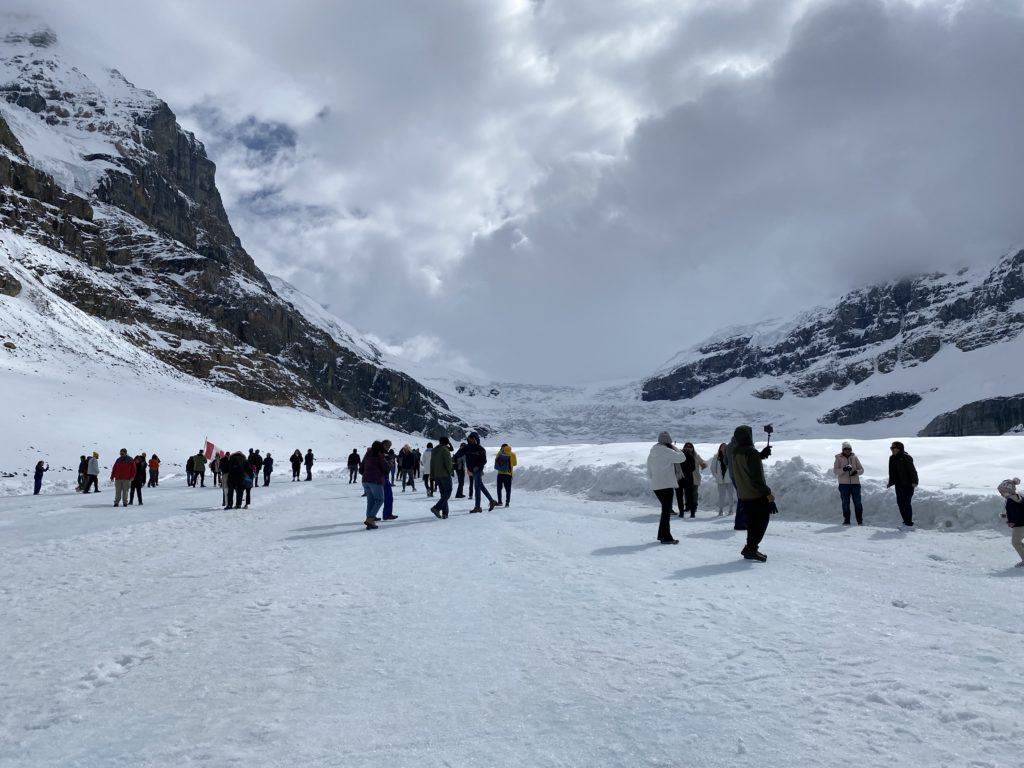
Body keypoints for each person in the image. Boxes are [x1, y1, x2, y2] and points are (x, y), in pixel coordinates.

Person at [729, 425, 774, 562]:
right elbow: (756, 478)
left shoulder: (735, 451)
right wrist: (768, 495)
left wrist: (759, 455)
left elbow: (746, 465)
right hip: (755, 494)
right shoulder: (751, 452)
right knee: (761, 522)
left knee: (752, 522)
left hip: (743, 493)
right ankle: (751, 548)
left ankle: (750, 548)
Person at [646, 431, 686, 544]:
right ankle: (665, 537)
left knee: (665, 511)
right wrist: (675, 448)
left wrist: (655, 480)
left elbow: (649, 471)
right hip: (667, 485)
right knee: (666, 512)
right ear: (669, 441)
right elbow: (682, 458)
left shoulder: (652, 452)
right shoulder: (667, 451)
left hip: (656, 486)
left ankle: (662, 535)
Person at [454, 433, 498, 512]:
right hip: (471, 470)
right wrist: (455, 456)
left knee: (477, 487)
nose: (471, 440)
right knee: (480, 486)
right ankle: (492, 501)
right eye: (469, 439)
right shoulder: (466, 448)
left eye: (472, 439)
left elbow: (484, 460)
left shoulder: (480, 449)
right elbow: (458, 455)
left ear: (476, 439)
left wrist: (477, 466)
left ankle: (477, 507)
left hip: (478, 470)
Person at [887, 441, 919, 527]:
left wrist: (915, 482)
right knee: (900, 503)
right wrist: (891, 482)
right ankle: (905, 522)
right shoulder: (892, 458)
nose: (891, 449)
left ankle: (909, 523)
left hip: (908, 484)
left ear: (899, 448)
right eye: (891, 448)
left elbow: (912, 470)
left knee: (906, 503)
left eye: (893, 448)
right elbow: (892, 472)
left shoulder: (906, 457)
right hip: (899, 484)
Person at [834, 441, 865, 525]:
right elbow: (835, 471)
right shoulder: (838, 458)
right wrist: (844, 469)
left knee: (858, 503)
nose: (848, 450)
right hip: (844, 485)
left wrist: (856, 472)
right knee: (845, 503)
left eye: (849, 449)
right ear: (843, 450)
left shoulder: (854, 457)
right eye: (846, 449)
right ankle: (847, 520)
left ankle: (860, 521)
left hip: (855, 484)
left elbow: (862, 469)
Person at [360, 441, 389, 529]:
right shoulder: (380, 456)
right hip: (375, 481)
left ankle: (369, 520)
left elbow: (361, 468)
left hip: (365, 480)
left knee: (371, 501)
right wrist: (389, 463)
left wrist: (366, 474)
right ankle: (370, 518)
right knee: (380, 499)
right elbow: (386, 469)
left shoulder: (367, 454)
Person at [998, 478, 1024, 567]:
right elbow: (1019, 511)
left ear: (1007, 491)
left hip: (1019, 525)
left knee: (1016, 542)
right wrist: (1006, 515)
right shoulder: (1019, 497)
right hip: (1022, 523)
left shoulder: (1010, 500)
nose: (1001, 494)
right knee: (1018, 542)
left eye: (1001, 492)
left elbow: (1015, 513)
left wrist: (1011, 521)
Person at [677, 442, 706, 518]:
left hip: (695, 477)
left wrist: (703, 465)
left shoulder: (696, 456)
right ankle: (687, 507)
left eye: (690, 447)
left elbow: (703, 462)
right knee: (686, 494)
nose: (688, 448)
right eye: (687, 446)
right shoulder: (681, 456)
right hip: (685, 478)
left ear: (693, 448)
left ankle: (694, 507)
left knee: (694, 493)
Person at [430, 437, 455, 519]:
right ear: (447, 442)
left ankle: (445, 513)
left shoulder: (434, 450)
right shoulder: (445, 450)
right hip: (445, 474)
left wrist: (432, 474)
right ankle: (437, 508)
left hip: (437, 475)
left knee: (443, 494)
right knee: (448, 492)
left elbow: (432, 463)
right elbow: (448, 463)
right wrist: (450, 471)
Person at [710, 443, 734, 516]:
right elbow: (712, 468)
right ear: (720, 448)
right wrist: (717, 476)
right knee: (721, 496)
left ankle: (731, 510)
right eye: (722, 447)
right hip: (720, 480)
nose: (724, 448)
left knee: (730, 495)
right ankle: (720, 510)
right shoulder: (716, 457)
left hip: (729, 479)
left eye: (725, 447)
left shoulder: (730, 456)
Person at [381, 440, 397, 520]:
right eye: (387, 445)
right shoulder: (383, 454)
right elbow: (386, 466)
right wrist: (390, 462)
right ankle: (387, 514)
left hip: (382, 477)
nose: (388, 447)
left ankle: (372, 516)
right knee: (388, 497)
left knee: (385, 497)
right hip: (382, 478)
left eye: (389, 446)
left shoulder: (382, 453)